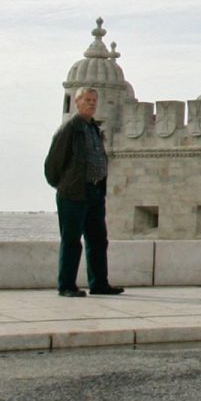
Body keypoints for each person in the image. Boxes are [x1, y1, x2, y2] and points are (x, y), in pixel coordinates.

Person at [44, 87, 124, 297]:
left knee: (98, 239)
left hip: (95, 191)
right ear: (76, 102)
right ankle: (66, 285)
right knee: (71, 240)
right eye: (87, 100)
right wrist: (64, 186)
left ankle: (99, 284)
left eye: (94, 100)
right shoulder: (69, 129)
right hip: (74, 193)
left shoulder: (93, 129)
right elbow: (53, 164)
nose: (91, 104)